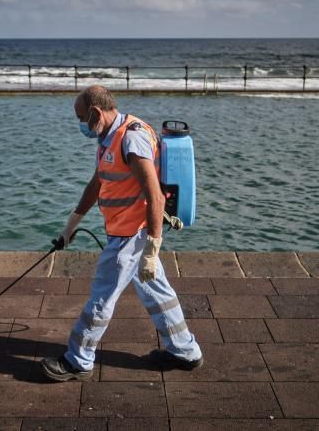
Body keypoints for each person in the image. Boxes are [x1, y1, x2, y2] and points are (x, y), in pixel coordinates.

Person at [40, 85, 203, 381]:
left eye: (80, 118)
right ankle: (185, 351)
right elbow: (98, 182)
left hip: (132, 234)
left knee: (102, 296)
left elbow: (155, 198)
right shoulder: (108, 137)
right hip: (124, 231)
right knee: (157, 291)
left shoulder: (132, 139)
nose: (79, 125)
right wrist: (70, 227)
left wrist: (152, 252)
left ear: (95, 113)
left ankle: (78, 360)